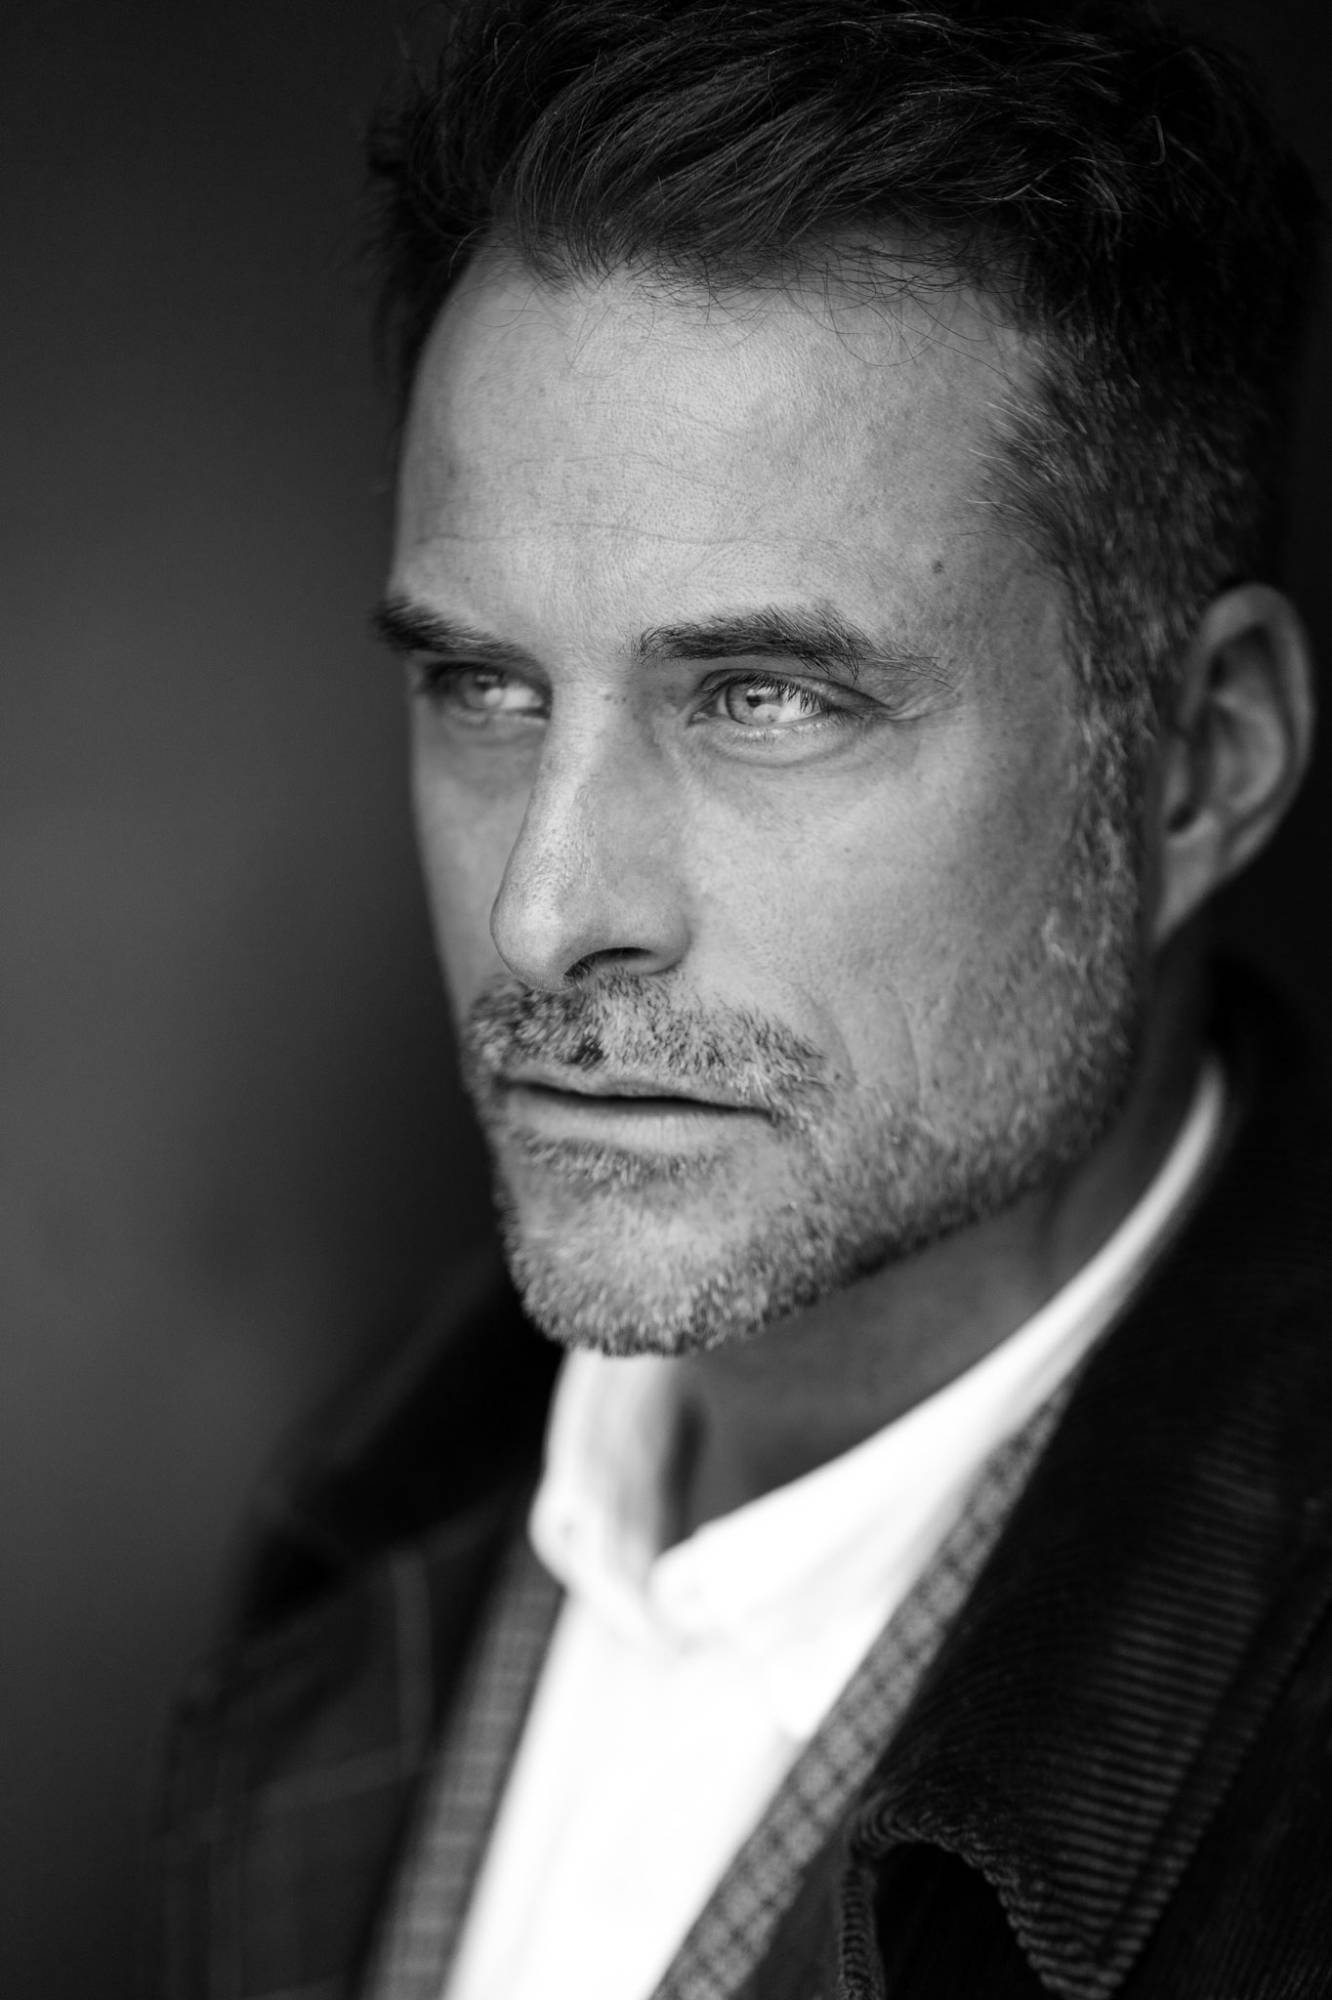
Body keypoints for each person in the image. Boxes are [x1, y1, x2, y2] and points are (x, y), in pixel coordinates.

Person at [157, 1, 1332, 1994]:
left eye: (765, 700)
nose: (546, 915)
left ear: (1201, 761)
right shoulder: (367, 1524)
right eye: (484, 686)